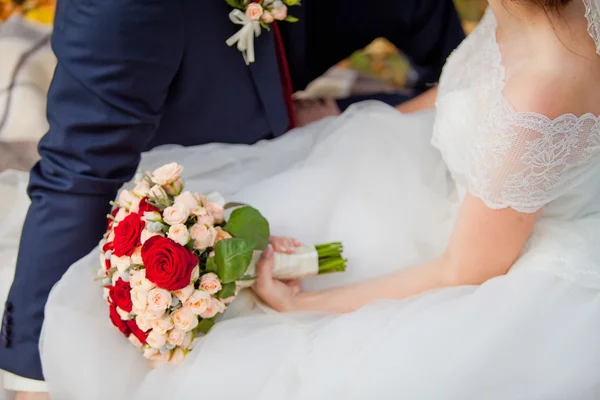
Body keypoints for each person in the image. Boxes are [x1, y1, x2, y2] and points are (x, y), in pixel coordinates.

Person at [30, 0, 600, 397]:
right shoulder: (542, 11)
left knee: (254, 359)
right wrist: (329, 135)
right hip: (445, 187)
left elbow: (468, 268)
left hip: (486, 254)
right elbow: (467, 91)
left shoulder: (543, 83)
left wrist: (301, 309)